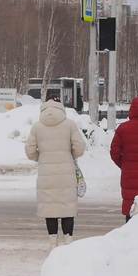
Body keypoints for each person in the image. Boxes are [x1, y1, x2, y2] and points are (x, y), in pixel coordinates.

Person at [25, 96, 86, 247]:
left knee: (49, 207)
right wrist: (70, 154)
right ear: (61, 106)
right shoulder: (69, 125)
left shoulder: (37, 127)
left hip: (46, 172)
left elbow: (30, 151)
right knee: (67, 207)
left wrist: (42, 157)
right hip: (66, 171)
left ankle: (53, 241)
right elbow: (79, 147)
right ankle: (68, 241)